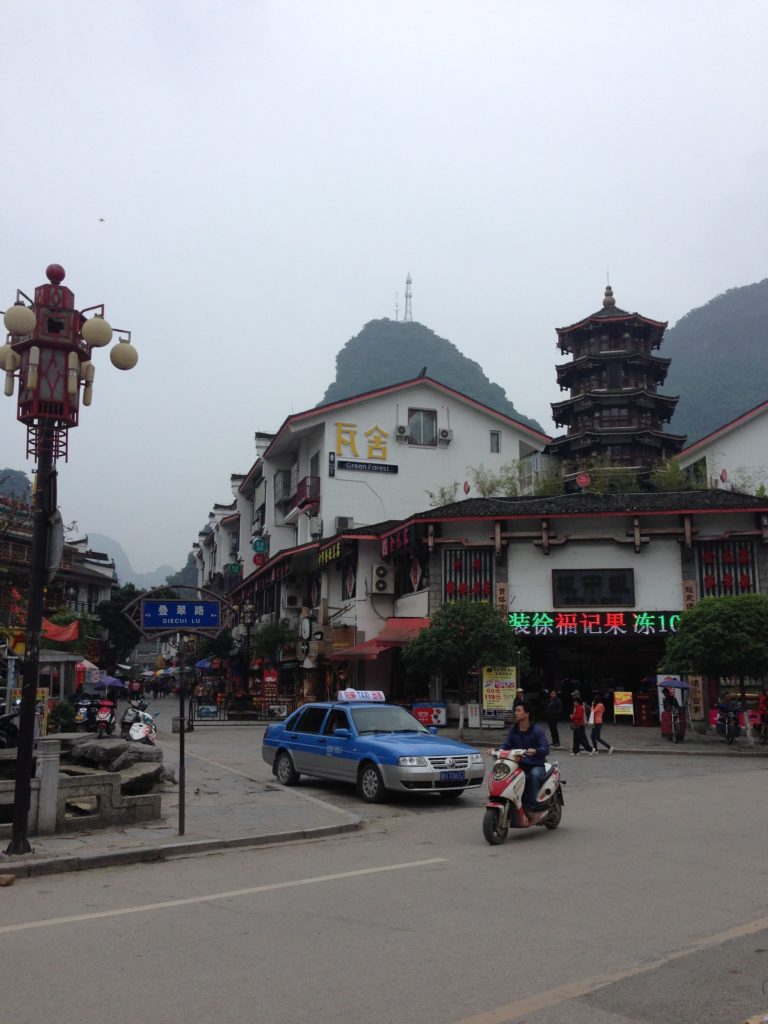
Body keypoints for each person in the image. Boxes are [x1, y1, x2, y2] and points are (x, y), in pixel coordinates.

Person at [500, 700, 550, 808]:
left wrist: (536, 751)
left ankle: (531, 805)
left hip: (536, 765)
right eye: (515, 710)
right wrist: (497, 750)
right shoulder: (514, 730)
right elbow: (506, 744)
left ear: (527, 714)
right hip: (519, 764)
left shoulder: (537, 731)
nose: (516, 713)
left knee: (534, 775)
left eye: (518, 711)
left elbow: (546, 748)